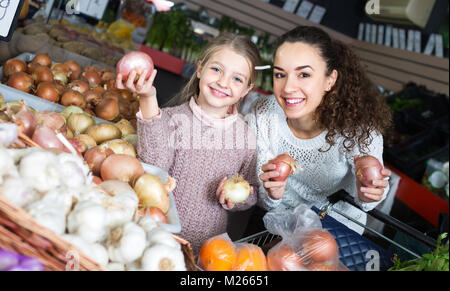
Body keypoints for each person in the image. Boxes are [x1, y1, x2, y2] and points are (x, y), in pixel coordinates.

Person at [116, 32, 261, 254]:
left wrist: (236, 199)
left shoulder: (245, 138)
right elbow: (156, 165)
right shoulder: (169, 118)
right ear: (200, 68)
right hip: (153, 238)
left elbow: (252, 191)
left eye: (237, 79)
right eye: (216, 69)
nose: (223, 82)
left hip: (205, 251)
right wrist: (147, 98)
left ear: (247, 90)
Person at [246, 26, 393, 234]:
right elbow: (264, 201)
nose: (288, 87)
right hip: (281, 228)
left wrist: (370, 193)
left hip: (336, 231)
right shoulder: (263, 114)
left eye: (304, 74)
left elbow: (367, 202)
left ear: (330, 80)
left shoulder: (359, 130)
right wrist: (272, 193)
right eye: (280, 74)